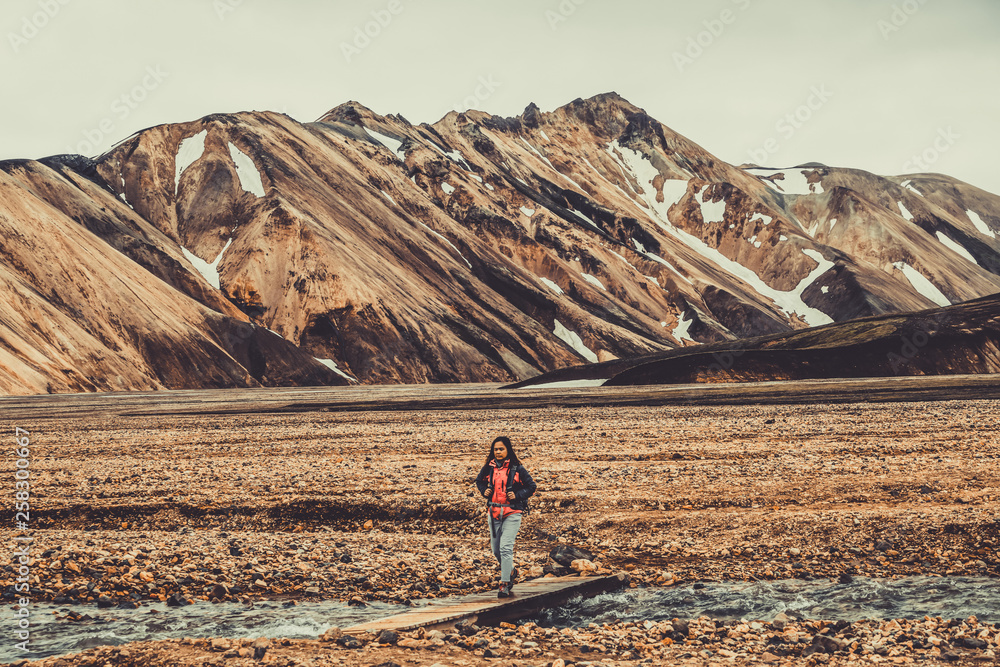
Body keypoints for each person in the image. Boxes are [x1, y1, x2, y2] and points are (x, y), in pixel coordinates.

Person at [475, 436, 536, 598]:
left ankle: (505, 583)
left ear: (508, 449)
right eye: (496, 449)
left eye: (501, 449)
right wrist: (484, 491)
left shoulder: (517, 468)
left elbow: (531, 486)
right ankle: (511, 571)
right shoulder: (489, 468)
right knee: (496, 550)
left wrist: (517, 495)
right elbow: (479, 481)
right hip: (494, 512)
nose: (498, 452)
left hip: (513, 512)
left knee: (505, 548)